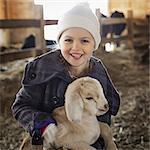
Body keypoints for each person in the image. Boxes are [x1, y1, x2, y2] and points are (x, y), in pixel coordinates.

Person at [11, 2, 120, 149]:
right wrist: (42, 124)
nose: (76, 47)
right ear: (59, 42)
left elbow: (104, 113)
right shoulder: (43, 70)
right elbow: (21, 106)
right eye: (68, 40)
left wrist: (101, 141)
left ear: (94, 44)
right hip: (53, 139)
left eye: (84, 41)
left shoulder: (98, 71)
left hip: (85, 140)